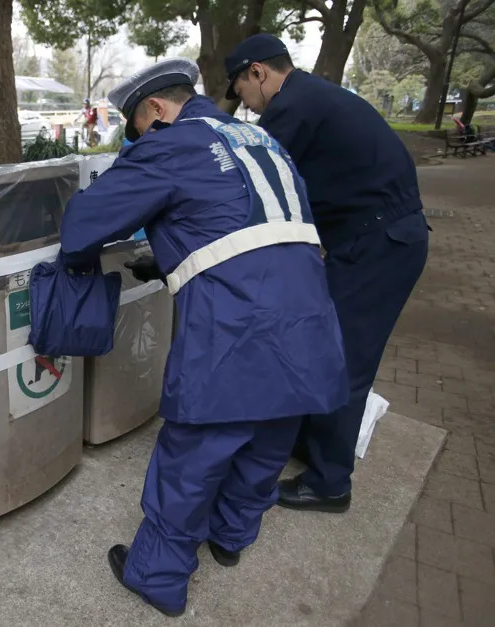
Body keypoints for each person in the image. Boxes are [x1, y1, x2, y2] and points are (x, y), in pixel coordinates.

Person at [59, 58, 348, 617]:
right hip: (309, 312)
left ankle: (157, 576)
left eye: (136, 131)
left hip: (237, 322)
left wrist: (78, 261)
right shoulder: (259, 138)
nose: (137, 141)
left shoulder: (171, 143)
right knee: (270, 434)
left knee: (196, 450)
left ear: (156, 110)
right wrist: (169, 258)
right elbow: (246, 223)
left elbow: (83, 227)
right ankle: (232, 537)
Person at [224, 34, 429, 513]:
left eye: (241, 89)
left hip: (379, 244)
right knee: (323, 345)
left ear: (257, 72)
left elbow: (251, 184)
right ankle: (312, 444)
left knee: (344, 360)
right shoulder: (313, 95)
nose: (246, 105)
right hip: (373, 237)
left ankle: (331, 482)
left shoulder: (292, 106)